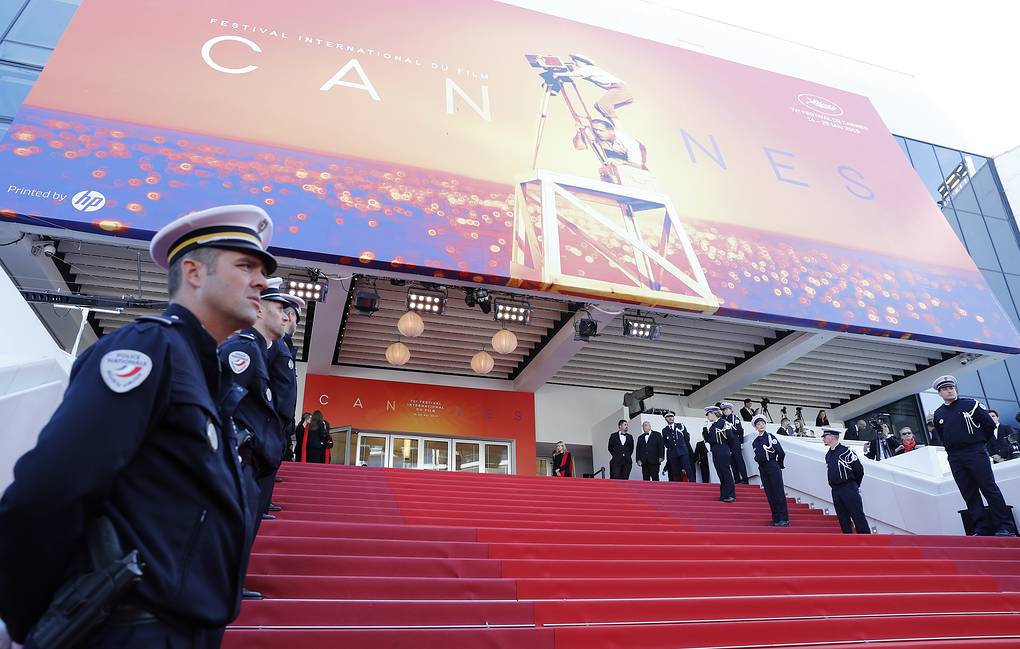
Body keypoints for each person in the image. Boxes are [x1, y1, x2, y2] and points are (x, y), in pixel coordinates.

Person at [0, 205, 275, 648]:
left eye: (262, 271)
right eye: (246, 266)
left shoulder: (202, 375)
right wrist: (32, 618)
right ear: (193, 272)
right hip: (132, 628)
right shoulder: (148, 348)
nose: (261, 281)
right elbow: (48, 489)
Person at [931, 376, 1014, 536]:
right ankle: (982, 528)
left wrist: (979, 441)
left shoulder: (970, 405)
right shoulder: (938, 413)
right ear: (939, 393)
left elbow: (989, 425)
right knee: (969, 493)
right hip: (955, 456)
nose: (949, 391)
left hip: (975, 451)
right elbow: (942, 435)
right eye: (945, 389)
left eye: (951, 388)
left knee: (989, 488)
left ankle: (1005, 526)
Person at [820, 428, 870, 534]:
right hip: (835, 490)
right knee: (842, 518)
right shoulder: (828, 454)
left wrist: (854, 485)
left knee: (857, 515)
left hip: (848, 487)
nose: (823, 439)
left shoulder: (846, 451)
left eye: (825, 436)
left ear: (832, 437)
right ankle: (849, 540)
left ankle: (867, 540)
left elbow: (859, 470)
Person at [565, 53, 633, 121]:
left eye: (575, 61)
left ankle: (617, 125)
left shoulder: (587, 68)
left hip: (618, 88)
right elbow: (575, 72)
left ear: (583, 62)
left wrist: (559, 74)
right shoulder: (588, 69)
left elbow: (573, 74)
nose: (575, 64)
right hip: (619, 87)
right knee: (598, 106)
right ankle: (612, 124)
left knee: (603, 105)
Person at [751, 415, 789, 527]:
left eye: (762, 423)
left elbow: (781, 452)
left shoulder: (770, 437)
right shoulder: (755, 442)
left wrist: (779, 464)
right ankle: (776, 518)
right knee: (770, 493)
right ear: (756, 427)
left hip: (772, 465)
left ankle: (784, 518)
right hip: (763, 468)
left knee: (778, 492)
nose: (761, 425)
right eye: (758, 424)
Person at [703, 406, 737, 502]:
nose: (707, 417)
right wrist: (704, 428)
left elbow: (731, 437)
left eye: (708, 414)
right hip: (715, 450)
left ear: (714, 413)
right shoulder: (713, 426)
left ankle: (731, 495)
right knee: (720, 473)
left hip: (722, 448)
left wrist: (728, 449)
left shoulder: (723, 423)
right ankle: (724, 495)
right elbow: (708, 439)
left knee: (726, 472)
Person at [660, 411, 695, 482]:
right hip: (672, 453)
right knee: (675, 471)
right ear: (665, 419)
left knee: (688, 468)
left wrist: (683, 446)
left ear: (673, 417)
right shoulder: (664, 430)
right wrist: (672, 448)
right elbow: (665, 443)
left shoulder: (680, 426)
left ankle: (693, 483)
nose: (670, 418)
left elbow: (686, 438)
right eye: (668, 417)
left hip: (683, 451)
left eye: (671, 416)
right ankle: (679, 486)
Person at [720, 402, 749, 484]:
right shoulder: (722, 419)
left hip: (735, 440)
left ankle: (744, 479)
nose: (725, 411)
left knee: (739, 460)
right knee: (731, 461)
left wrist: (741, 442)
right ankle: (737, 480)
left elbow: (740, 430)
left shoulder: (734, 418)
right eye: (724, 410)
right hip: (727, 442)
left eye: (726, 409)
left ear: (730, 410)